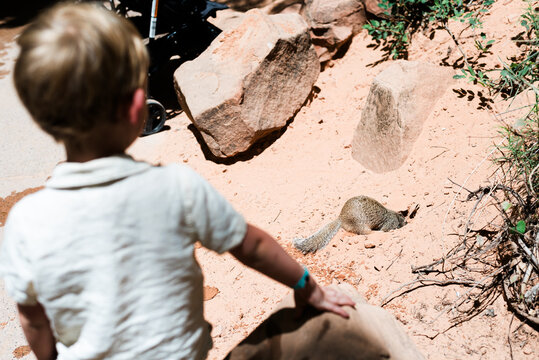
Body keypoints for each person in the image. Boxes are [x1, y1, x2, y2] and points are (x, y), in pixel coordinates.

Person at [0, 3, 355, 360]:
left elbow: (32, 318)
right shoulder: (176, 188)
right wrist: (310, 289)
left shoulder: (26, 222)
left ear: (43, 122)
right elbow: (253, 247)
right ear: (138, 107)